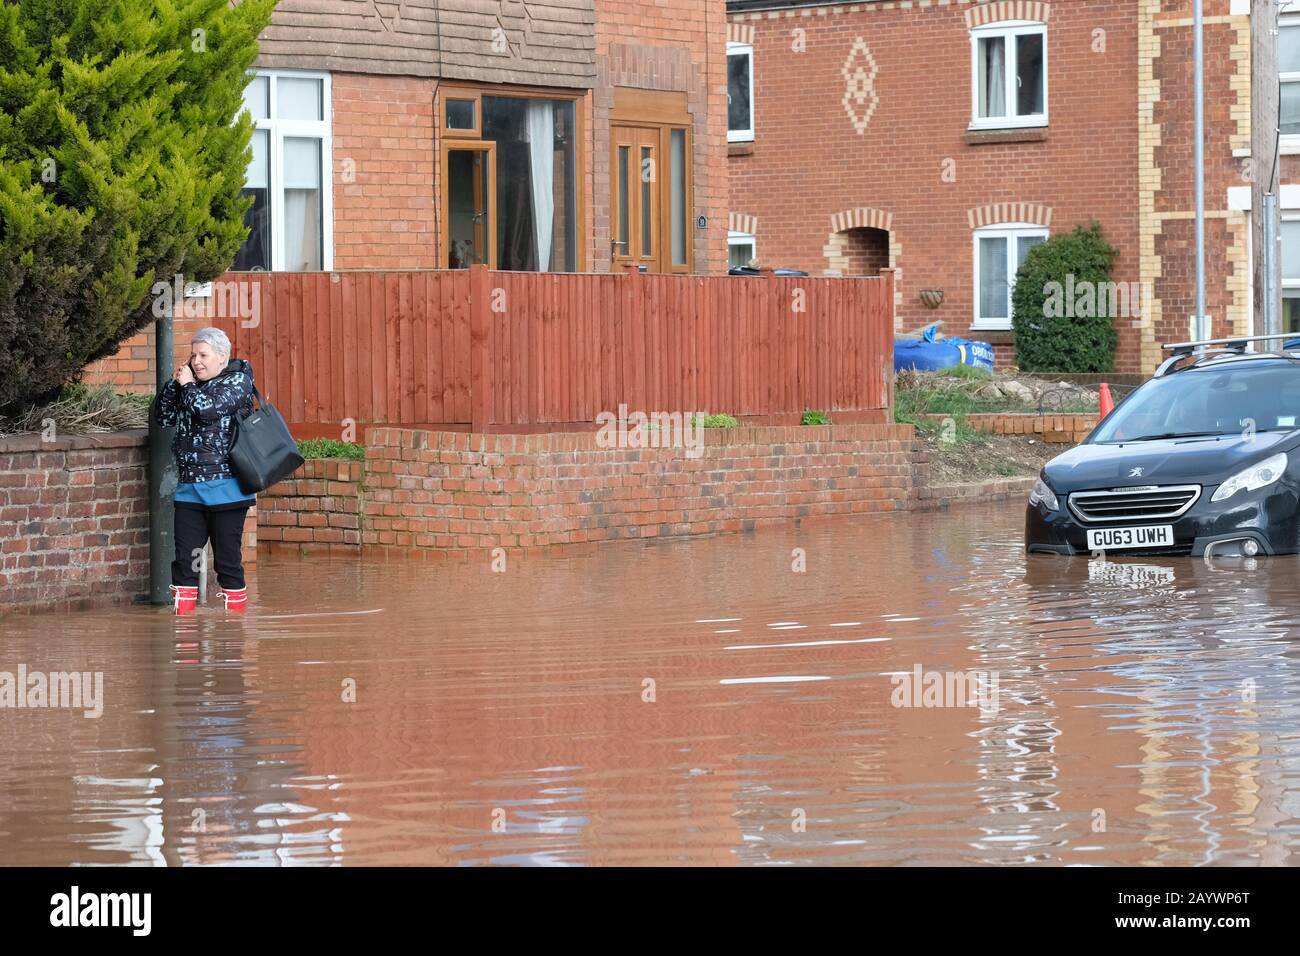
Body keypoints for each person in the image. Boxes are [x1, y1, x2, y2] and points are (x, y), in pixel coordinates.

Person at [152, 327, 256, 616]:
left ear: (221, 357)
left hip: (228, 490)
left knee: (227, 562)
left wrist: (187, 387)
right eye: (193, 355)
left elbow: (207, 410)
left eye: (203, 355)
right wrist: (175, 385)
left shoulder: (237, 382)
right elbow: (162, 416)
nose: (196, 361)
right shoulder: (189, 385)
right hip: (189, 490)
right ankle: (183, 637)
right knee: (184, 563)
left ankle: (233, 637)